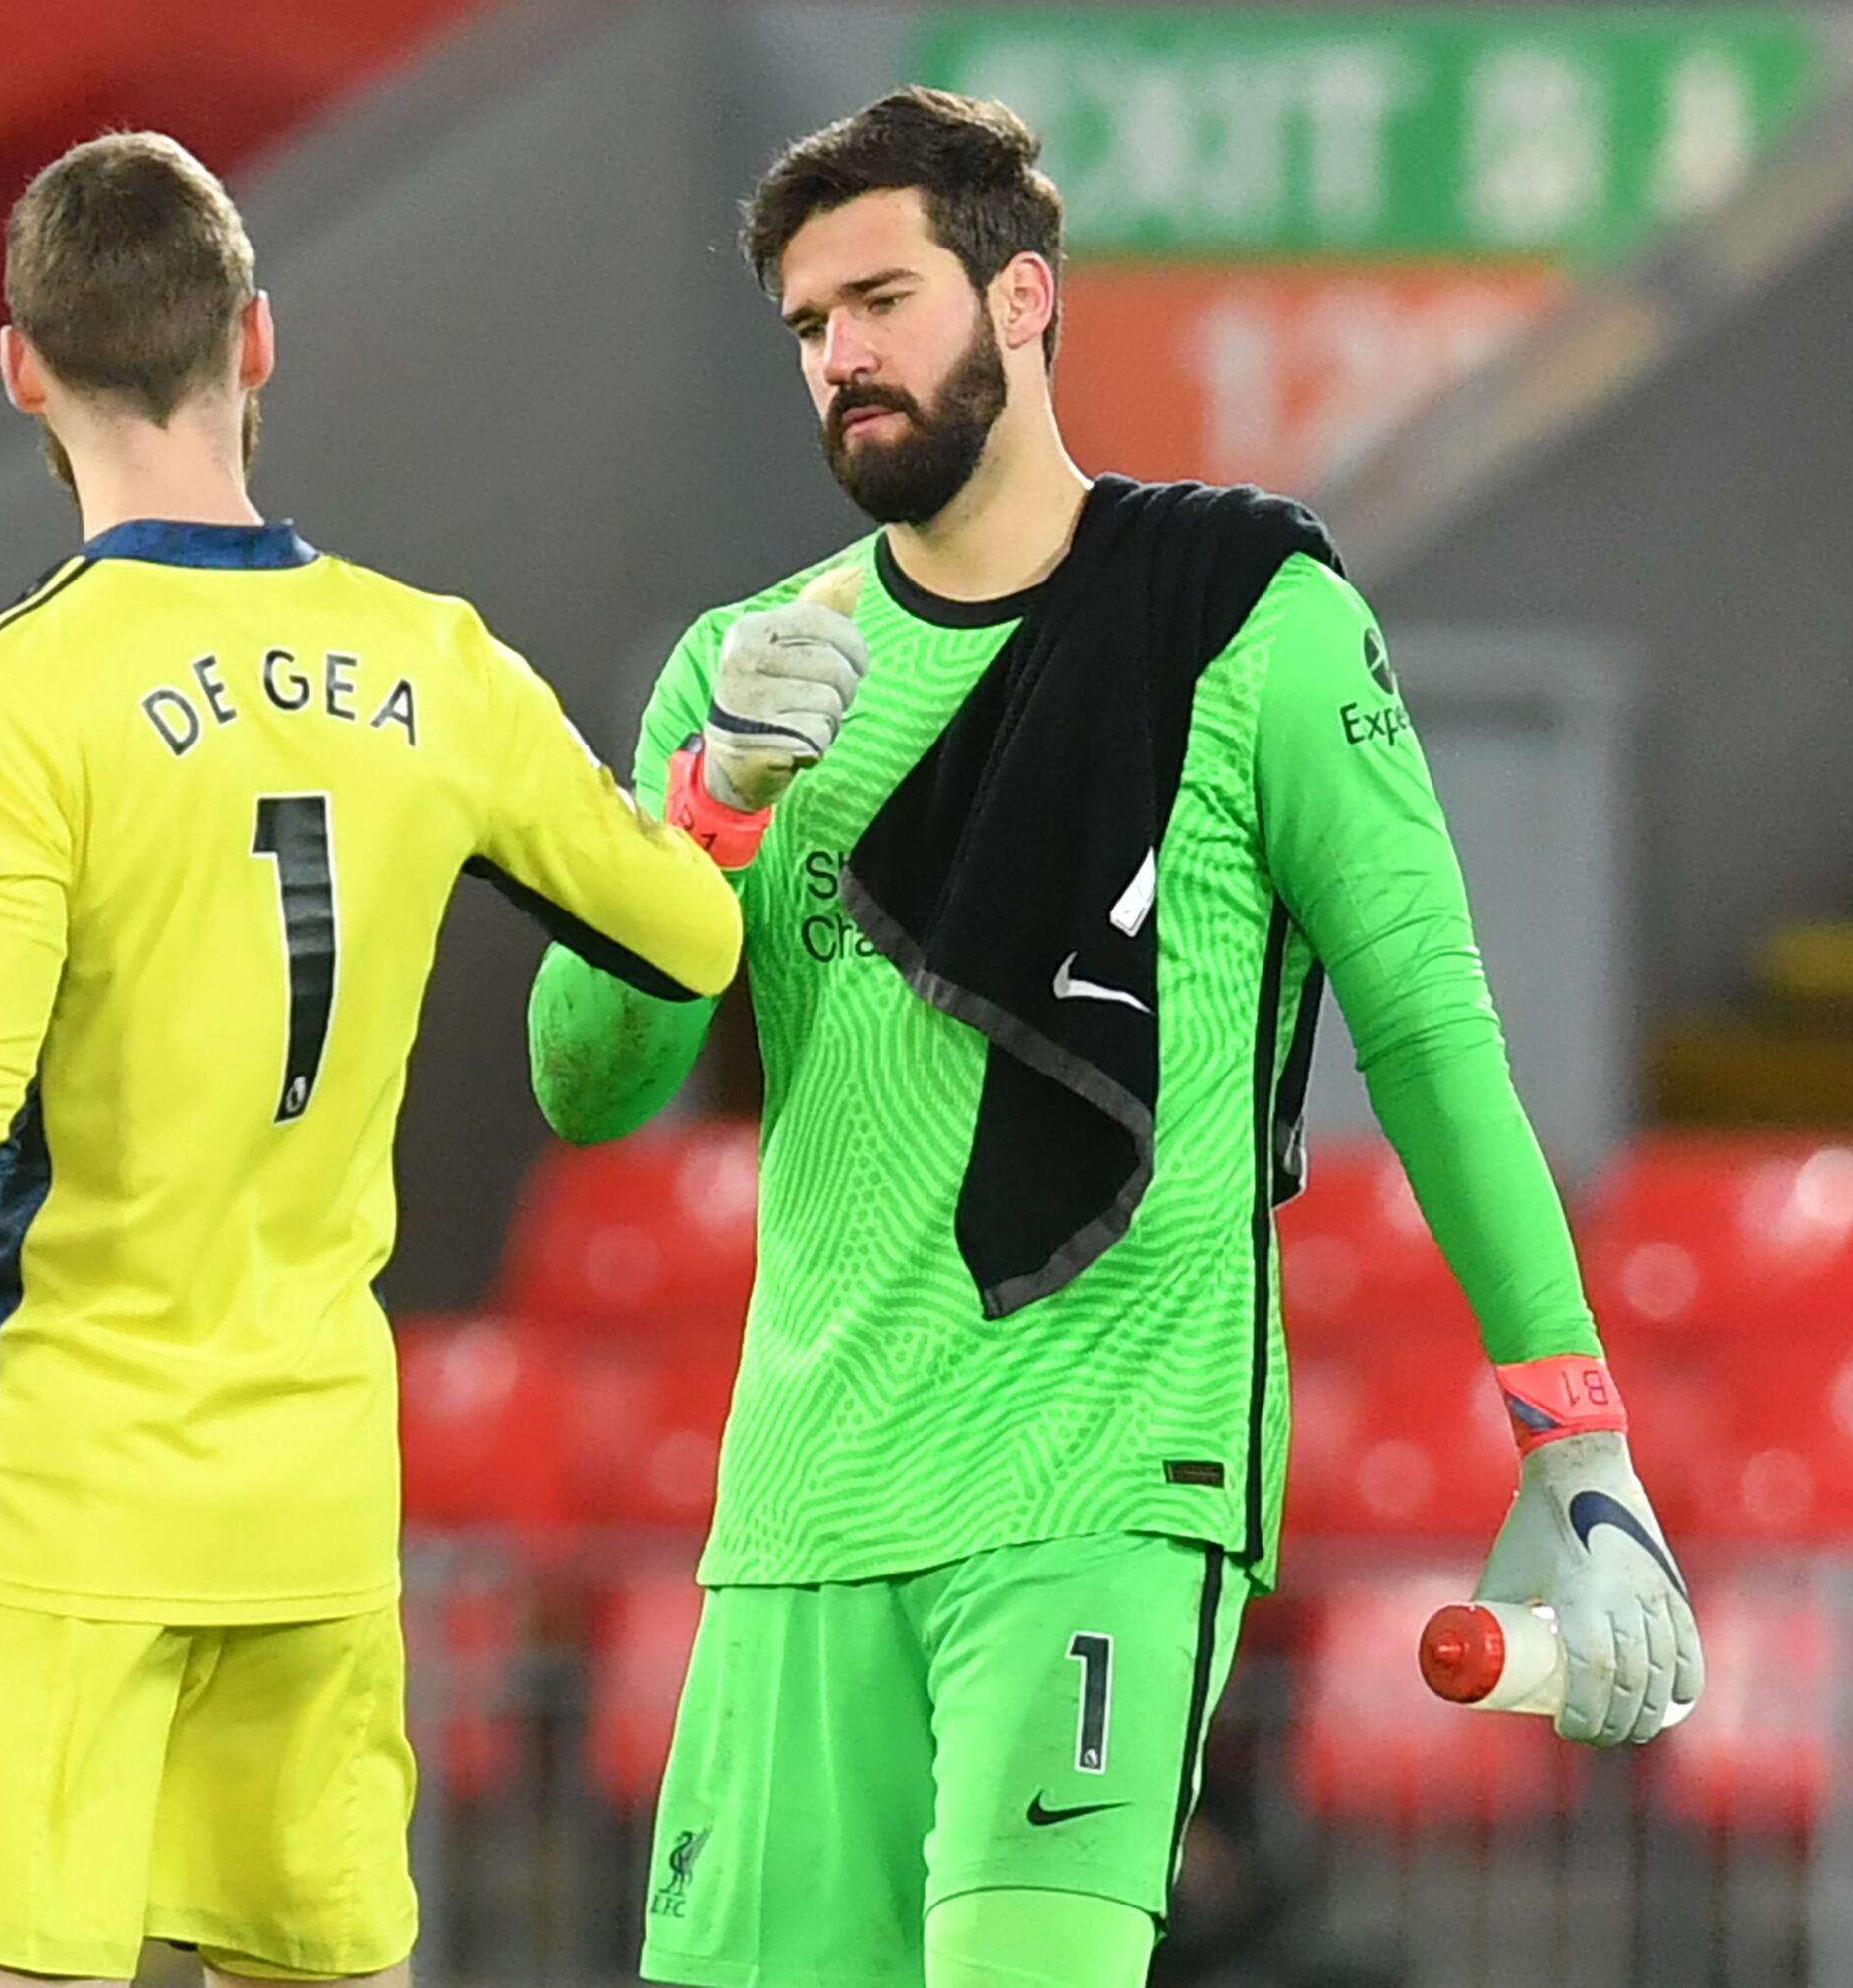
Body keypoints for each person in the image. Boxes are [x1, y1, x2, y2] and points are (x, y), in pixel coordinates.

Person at [526, 87, 1704, 1988]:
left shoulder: (1246, 617)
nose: (839, 358)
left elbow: (1428, 1027)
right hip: (799, 1512)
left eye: (882, 302)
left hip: (1098, 1488)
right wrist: (705, 810)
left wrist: (1576, 1443)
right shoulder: (741, 674)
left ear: (1021, 299)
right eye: (809, 326)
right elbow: (590, 1085)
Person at [0, 130, 743, 1988]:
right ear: (255, 341)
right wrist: (719, 790)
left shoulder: (3, 696)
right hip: (312, 1513)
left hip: (58, 1518)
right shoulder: (436, 663)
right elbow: (689, 937)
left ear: (20, 371)